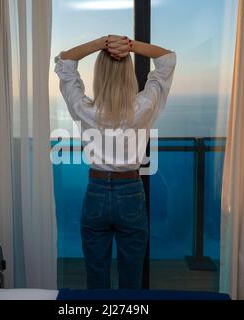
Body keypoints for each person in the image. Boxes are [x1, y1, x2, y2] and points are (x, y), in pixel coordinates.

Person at [54, 35, 177, 289]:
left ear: (99, 74)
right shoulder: (144, 106)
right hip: (130, 192)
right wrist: (129, 46)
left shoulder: (84, 109)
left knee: (96, 276)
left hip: (96, 192)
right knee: (131, 278)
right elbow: (166, 59)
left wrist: (101, 44)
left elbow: (65, 61)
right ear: (129, 74)